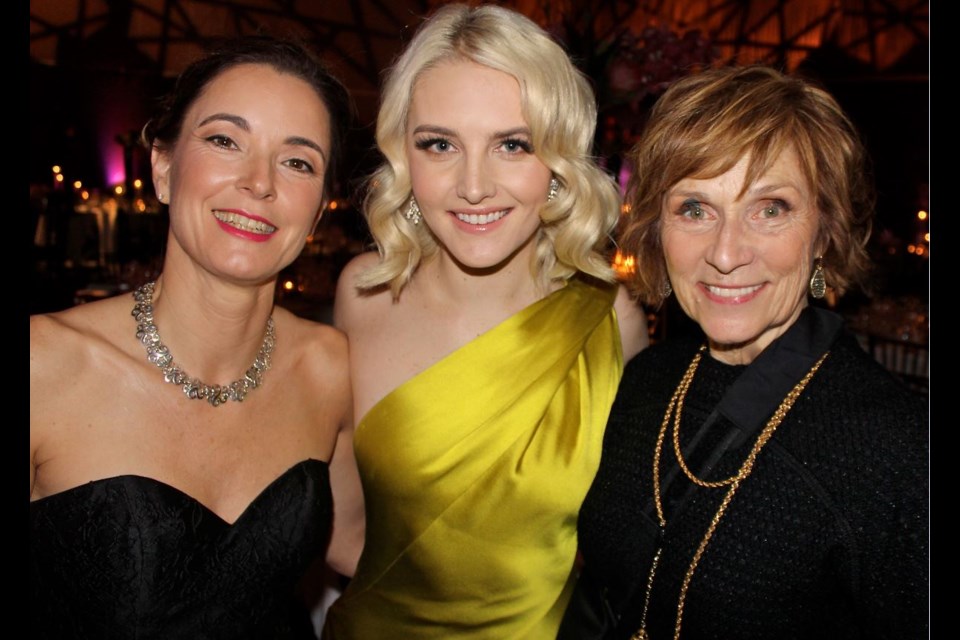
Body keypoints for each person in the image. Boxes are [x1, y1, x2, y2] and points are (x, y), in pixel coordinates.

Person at [559, 64, 928, 639]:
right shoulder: (645, 382)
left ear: (824, 229)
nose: (726, 253)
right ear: (658, 228)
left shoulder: (899, 455)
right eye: (695, 209)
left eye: (770, 207)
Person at [322, 4, 649, 638]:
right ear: (403, 157)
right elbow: (338, 520)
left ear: (557, 163)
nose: (473, 185)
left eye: (512, 145)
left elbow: (626, 542)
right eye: (440, 145)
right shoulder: (363, 295)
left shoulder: (611, 319)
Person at [30, 35, 365, 639]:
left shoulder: (329, 366)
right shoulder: (43, 366)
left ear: (317, 212)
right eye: (223, 140)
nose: (259, 183)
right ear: (162, 166)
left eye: (297, 161)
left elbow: (360, 547)